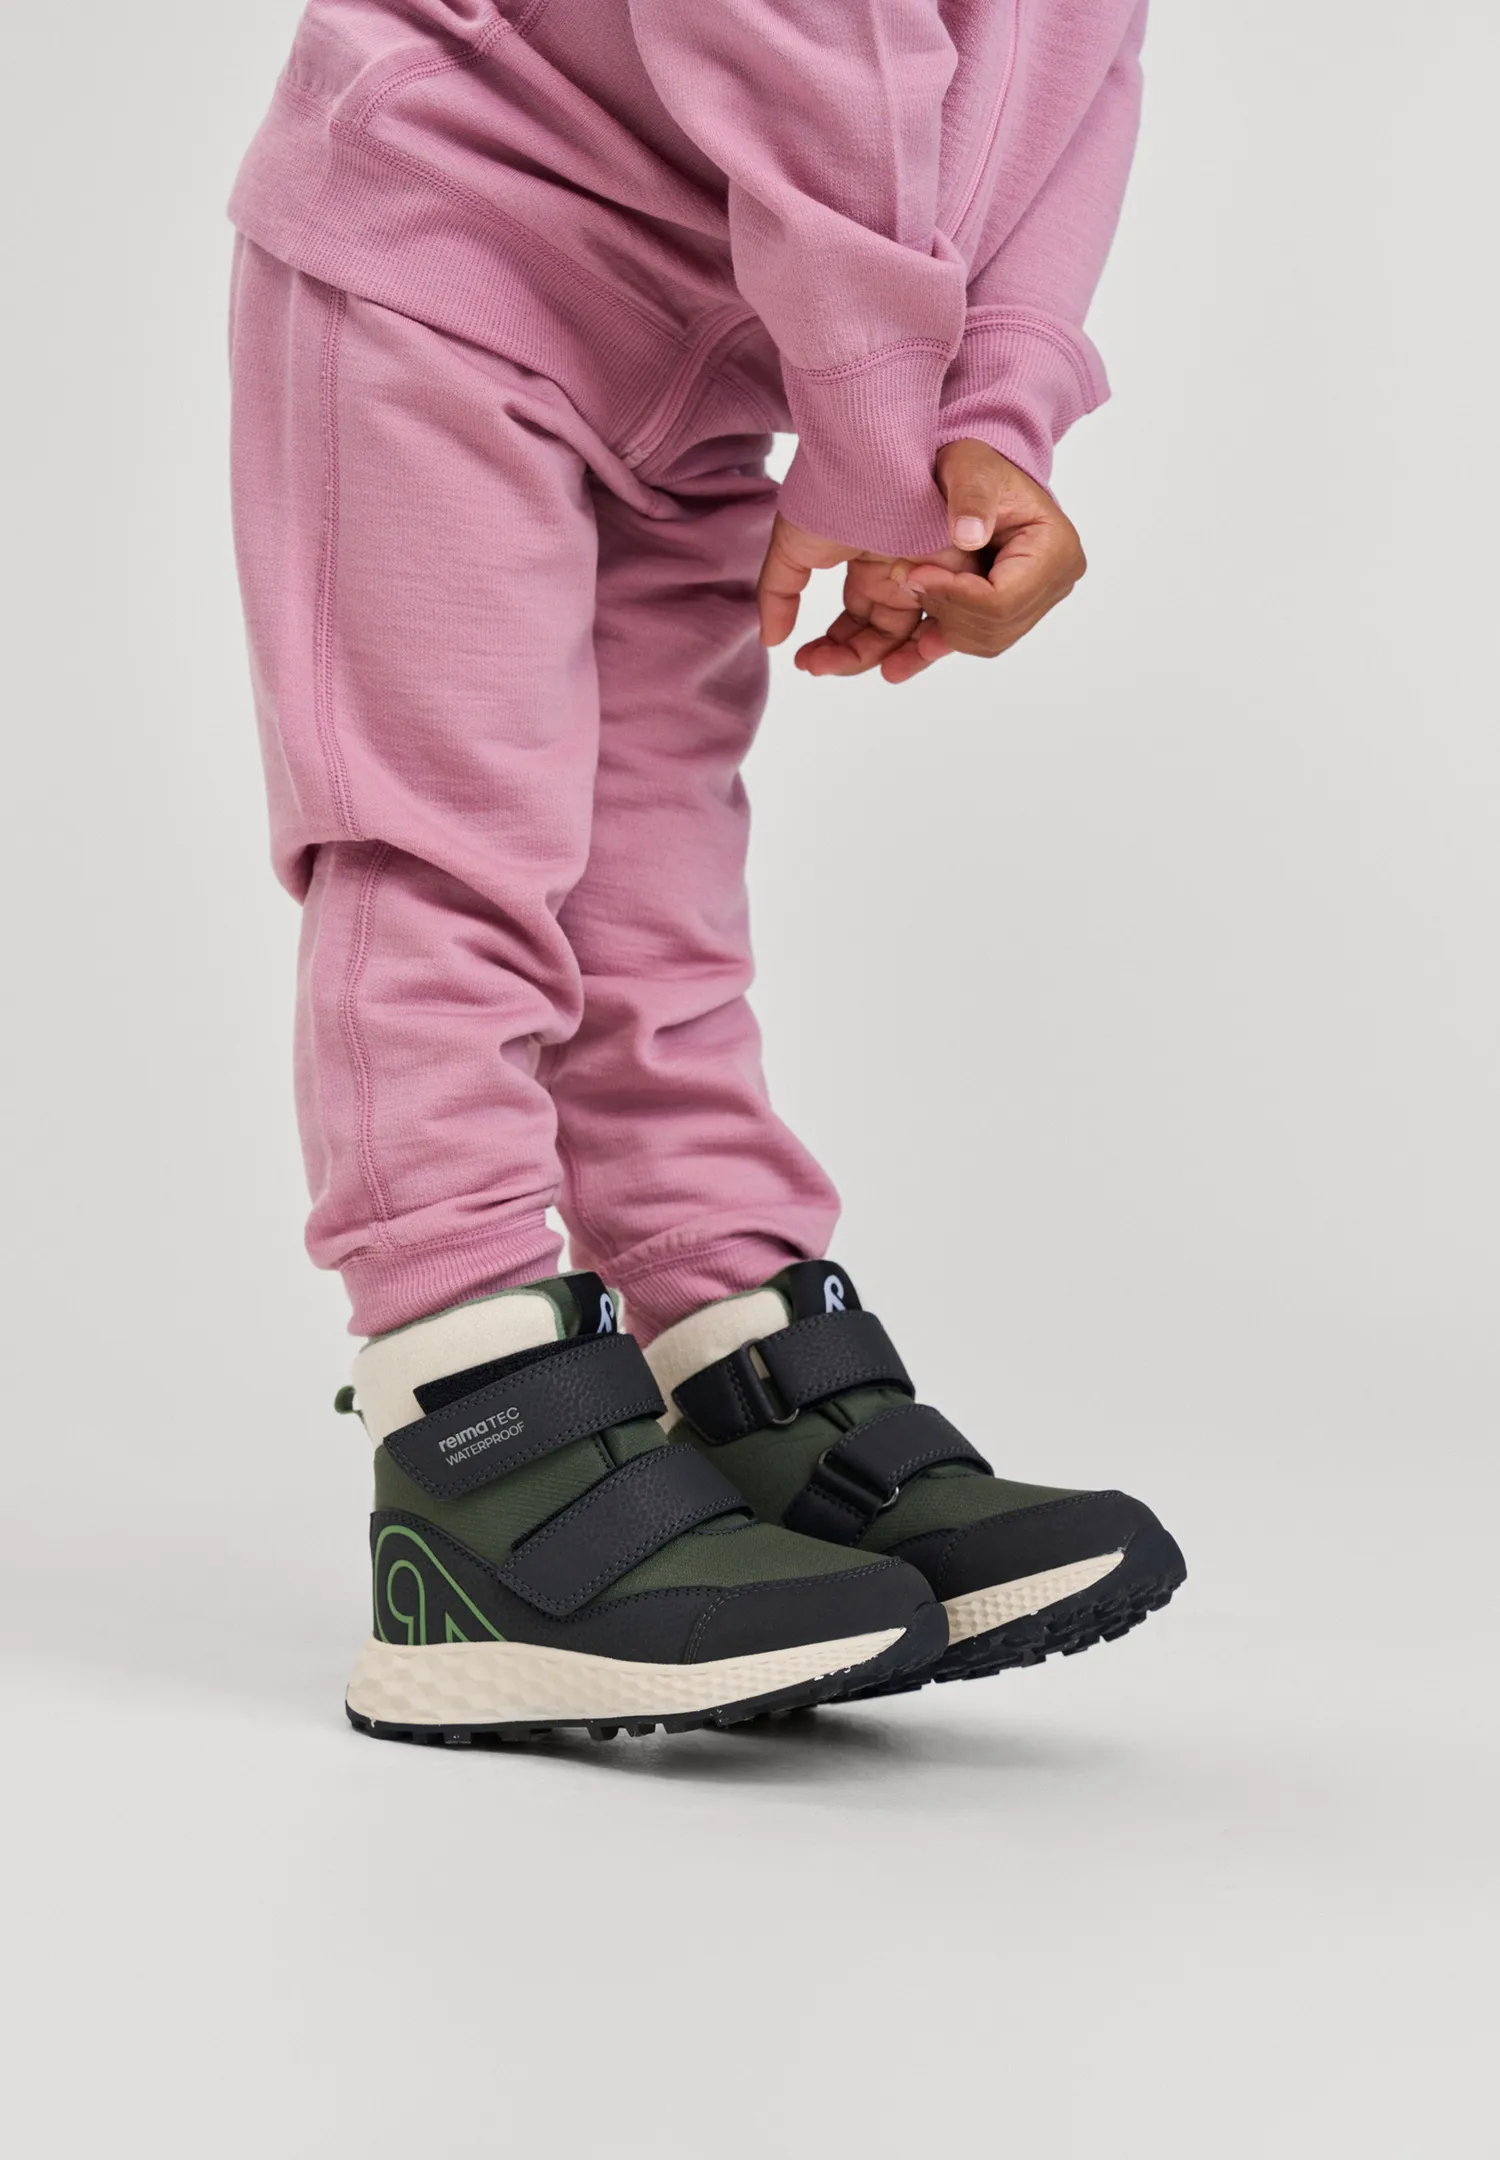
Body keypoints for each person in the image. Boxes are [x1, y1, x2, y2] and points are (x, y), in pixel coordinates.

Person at [228, 0, 1185, 1744]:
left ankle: (726, 1351)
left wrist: (992, 409)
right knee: (449, 856)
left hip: (723, 338)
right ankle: (466, 1445)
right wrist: (879, 422)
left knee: (654, 899)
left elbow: (1070, 62)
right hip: (458, 231)